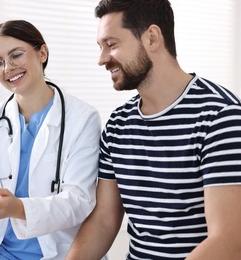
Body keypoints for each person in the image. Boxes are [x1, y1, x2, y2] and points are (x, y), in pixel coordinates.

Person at [66, 0, 241, 259]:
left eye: (111, 45)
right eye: (100, 47)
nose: (102, 59)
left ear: (152, 37)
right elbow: (103, 221)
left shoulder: (220, 116)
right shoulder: (118, 125)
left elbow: (228, 239)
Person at [0, 19, 101, 259]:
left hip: (58, 252)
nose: (8, 68)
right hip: (2, 251)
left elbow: (78, 202)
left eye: (16, 55)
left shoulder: (83, 118)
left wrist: (18, 208)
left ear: (42, 53)